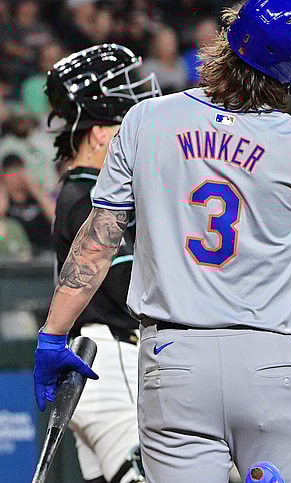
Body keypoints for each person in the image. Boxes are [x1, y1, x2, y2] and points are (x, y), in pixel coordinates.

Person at [31, 0, 291, 481]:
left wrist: (53, 333)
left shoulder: (145, 120)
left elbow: (97, 243)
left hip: (171, 361)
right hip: (265, 360)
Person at [44, 43, 161, 483]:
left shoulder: (79, 191)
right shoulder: (93, 196)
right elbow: (129, 287)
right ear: (97, 134)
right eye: (122, 124)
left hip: (96, 360)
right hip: (112, 360)